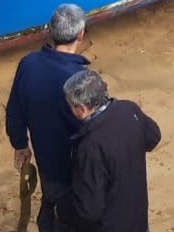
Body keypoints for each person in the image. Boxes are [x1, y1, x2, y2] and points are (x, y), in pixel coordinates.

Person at [5, 3, 91, 232]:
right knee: (73, 216)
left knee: (51, 199)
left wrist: (20, 145)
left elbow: (15, 110)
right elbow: (97, 128)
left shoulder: (28, 64)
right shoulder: (82, 79)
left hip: (46, 161)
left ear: (50, 31)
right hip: (76, 167)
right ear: (80, 35)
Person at [63, 68, 162, 232]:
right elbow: (153, 137)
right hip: (137, 219)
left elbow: (90, 210)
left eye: (70, 106)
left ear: (81, 109)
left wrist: (63, 210)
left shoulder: (90, 146)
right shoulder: (129, 109)